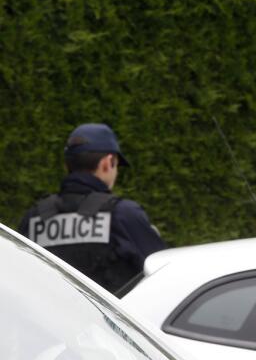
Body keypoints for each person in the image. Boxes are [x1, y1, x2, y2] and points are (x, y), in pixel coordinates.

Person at [19, 123, 166, 296]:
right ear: (107, 163)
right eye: (116, 165)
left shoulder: (33, 218)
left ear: (67, 165)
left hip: (44, 321)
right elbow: (164, 274)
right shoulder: (122, 214)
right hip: (107, 323)